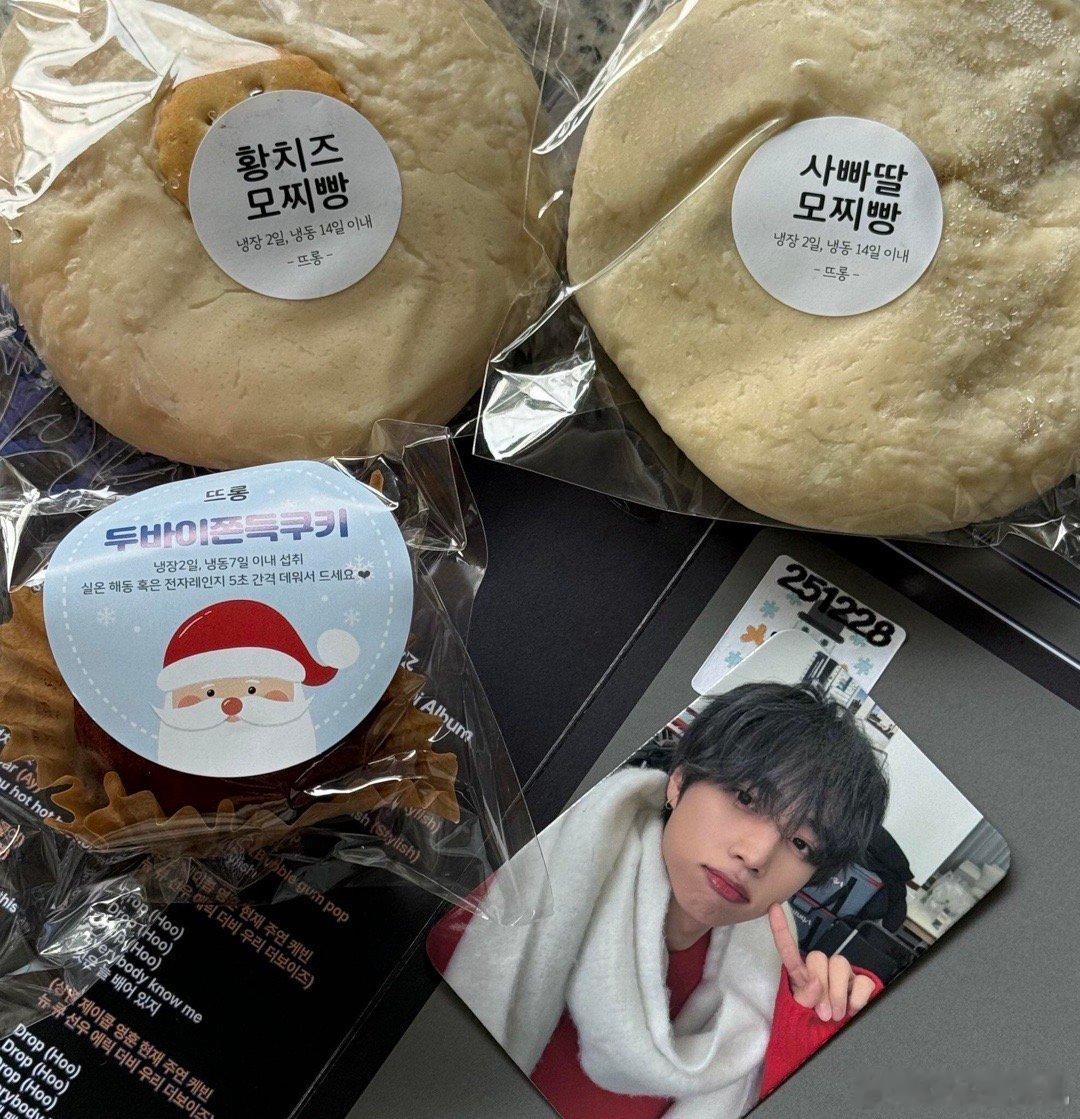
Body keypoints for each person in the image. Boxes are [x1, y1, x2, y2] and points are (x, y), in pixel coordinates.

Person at [429, 682, 891, 1119]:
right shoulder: (522, 865)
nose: (755, 856)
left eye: (801, 844)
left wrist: (805, 1058)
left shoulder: (768, 992)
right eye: (747, 798)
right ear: (679, 781)